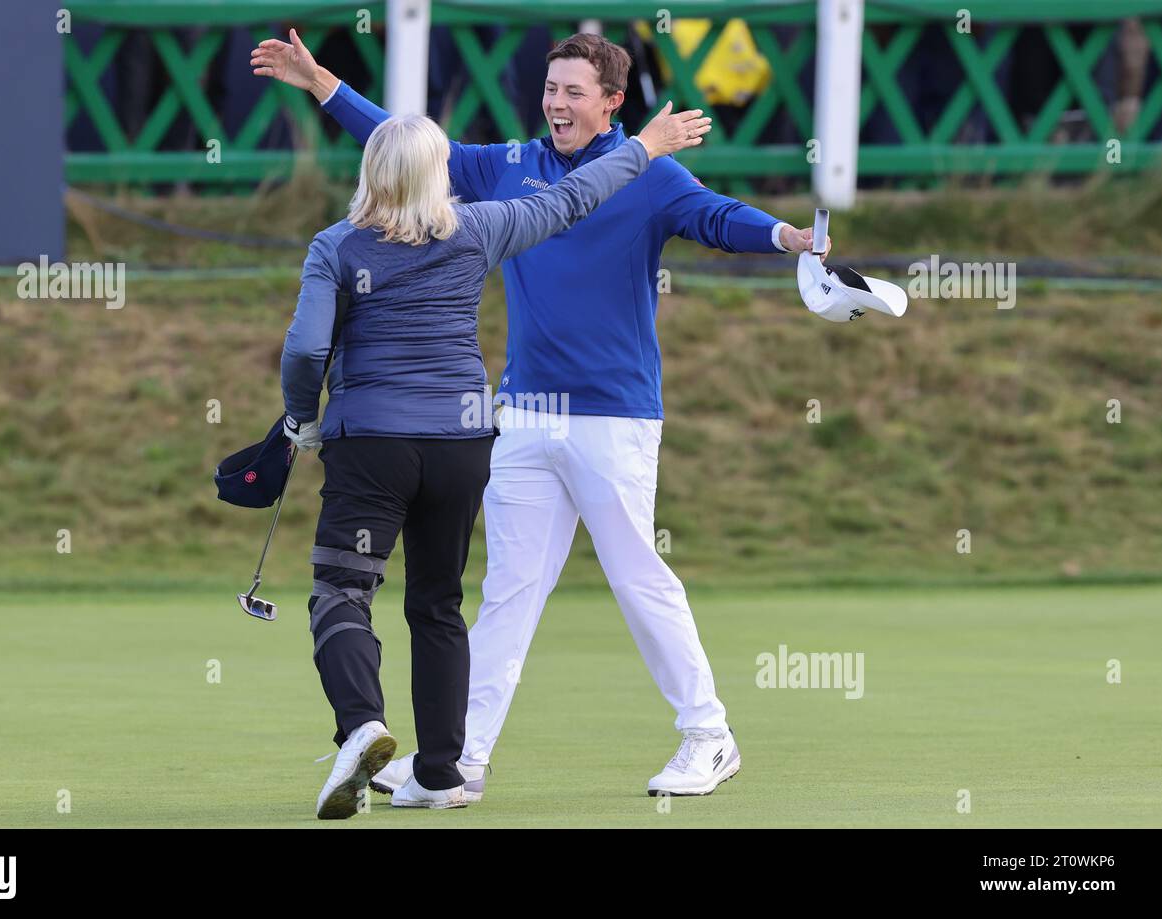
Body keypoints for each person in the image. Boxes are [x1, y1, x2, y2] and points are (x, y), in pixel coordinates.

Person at [255, 29, 829, 801]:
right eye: (551, 88)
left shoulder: (651, 172)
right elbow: (411, 152)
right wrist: (323, 84)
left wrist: (788, 236)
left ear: (612, 104)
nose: (555, 103)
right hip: (521, 411)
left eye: (573, 92)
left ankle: (708, 734)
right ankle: (460, 763)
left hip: (616, 412)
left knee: (636, 576)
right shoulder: (509, 167)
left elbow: (719, 218)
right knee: (506, 590)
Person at [279, 101, 711, 818]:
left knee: (342, 591)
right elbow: (574, 198)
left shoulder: (336, 245)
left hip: (374, 443)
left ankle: (361, 724)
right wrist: (643, 147)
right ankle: (444, 772)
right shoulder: (480, 227)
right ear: (437, 174)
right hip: (462, 442)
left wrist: (300, 418)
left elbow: (302, 349)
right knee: (439, 602)